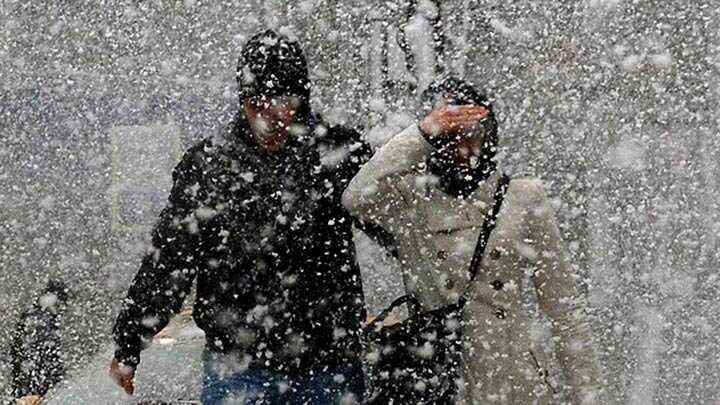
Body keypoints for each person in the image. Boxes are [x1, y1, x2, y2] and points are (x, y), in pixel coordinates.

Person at [110, 29, 370, 404]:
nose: (267, 116)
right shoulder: (209, 165)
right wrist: (129, 342)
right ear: (242, 100)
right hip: (238, 366)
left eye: (279, 102)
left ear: (301, 99)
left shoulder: (338, 154)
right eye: (254, 102)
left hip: (326, 362)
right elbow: (170, 259)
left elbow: (395, 223)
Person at [343, 76, 604, 404]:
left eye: (474, 134)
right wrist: (421, 132)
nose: (464, 149)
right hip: (437, 380)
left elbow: (564, 311)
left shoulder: (523, 197)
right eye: (449, 137)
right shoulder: (409, 201)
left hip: (512, 383)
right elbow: (354, 197)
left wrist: (590, 396)